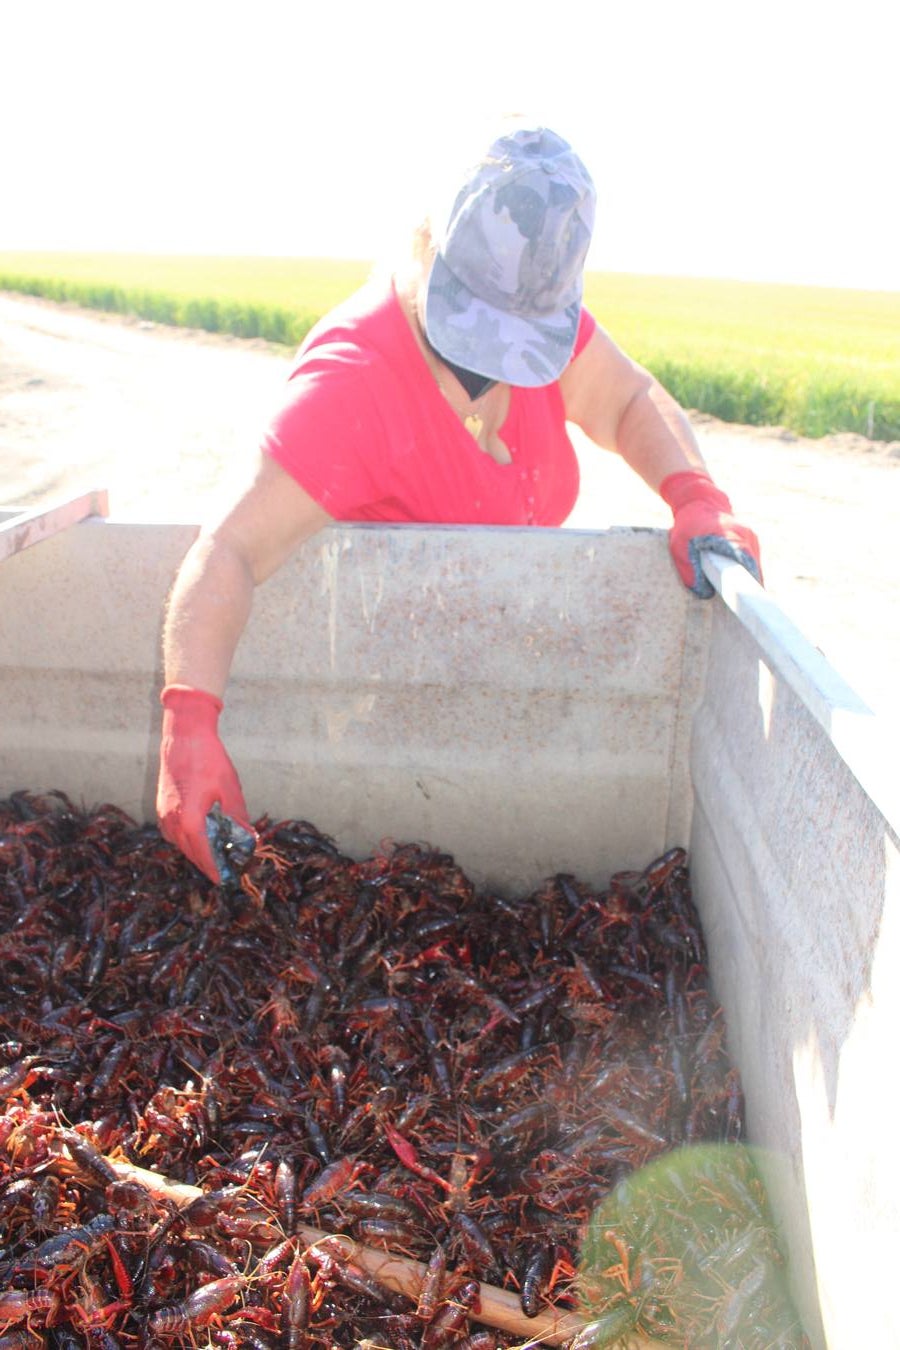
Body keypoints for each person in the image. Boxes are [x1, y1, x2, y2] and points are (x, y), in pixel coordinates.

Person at [157, 122, 762, 883]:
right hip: (383, 714)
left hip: (508, 676)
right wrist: (189, 722)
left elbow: (628, 399)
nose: (495, 362)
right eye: (476, 326)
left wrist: (694, 494)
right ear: (423, 245)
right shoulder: (352, 385)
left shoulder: (545, 315)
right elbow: (229, 549)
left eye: (519, 339)